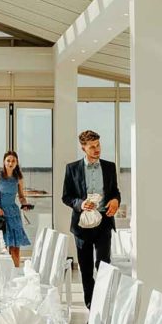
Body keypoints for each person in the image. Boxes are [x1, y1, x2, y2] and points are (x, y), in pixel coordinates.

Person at [61, 130, 121, 308]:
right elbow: (66, 197)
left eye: (98, 145)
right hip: (82, 225)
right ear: (83, 148)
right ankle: (91, 305)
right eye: (92, 147)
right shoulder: (72, 168)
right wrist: (80, 204)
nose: (97, 149)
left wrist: (115, 201)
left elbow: (115, 192)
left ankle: (103, 303)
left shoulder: (109, 167)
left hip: (104, 221)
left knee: (104, 264)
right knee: (86, 269)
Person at [0, 151, 31, 267]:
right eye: (8, 160)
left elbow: (21, 196)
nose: (10, 163)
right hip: (0, 214)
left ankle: (16, 271)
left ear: (17, 163)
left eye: (13, 161)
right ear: (4, 162)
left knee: (15, 247)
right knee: (0, 246)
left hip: (14, 214)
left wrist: (24, 204)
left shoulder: (18, 178)